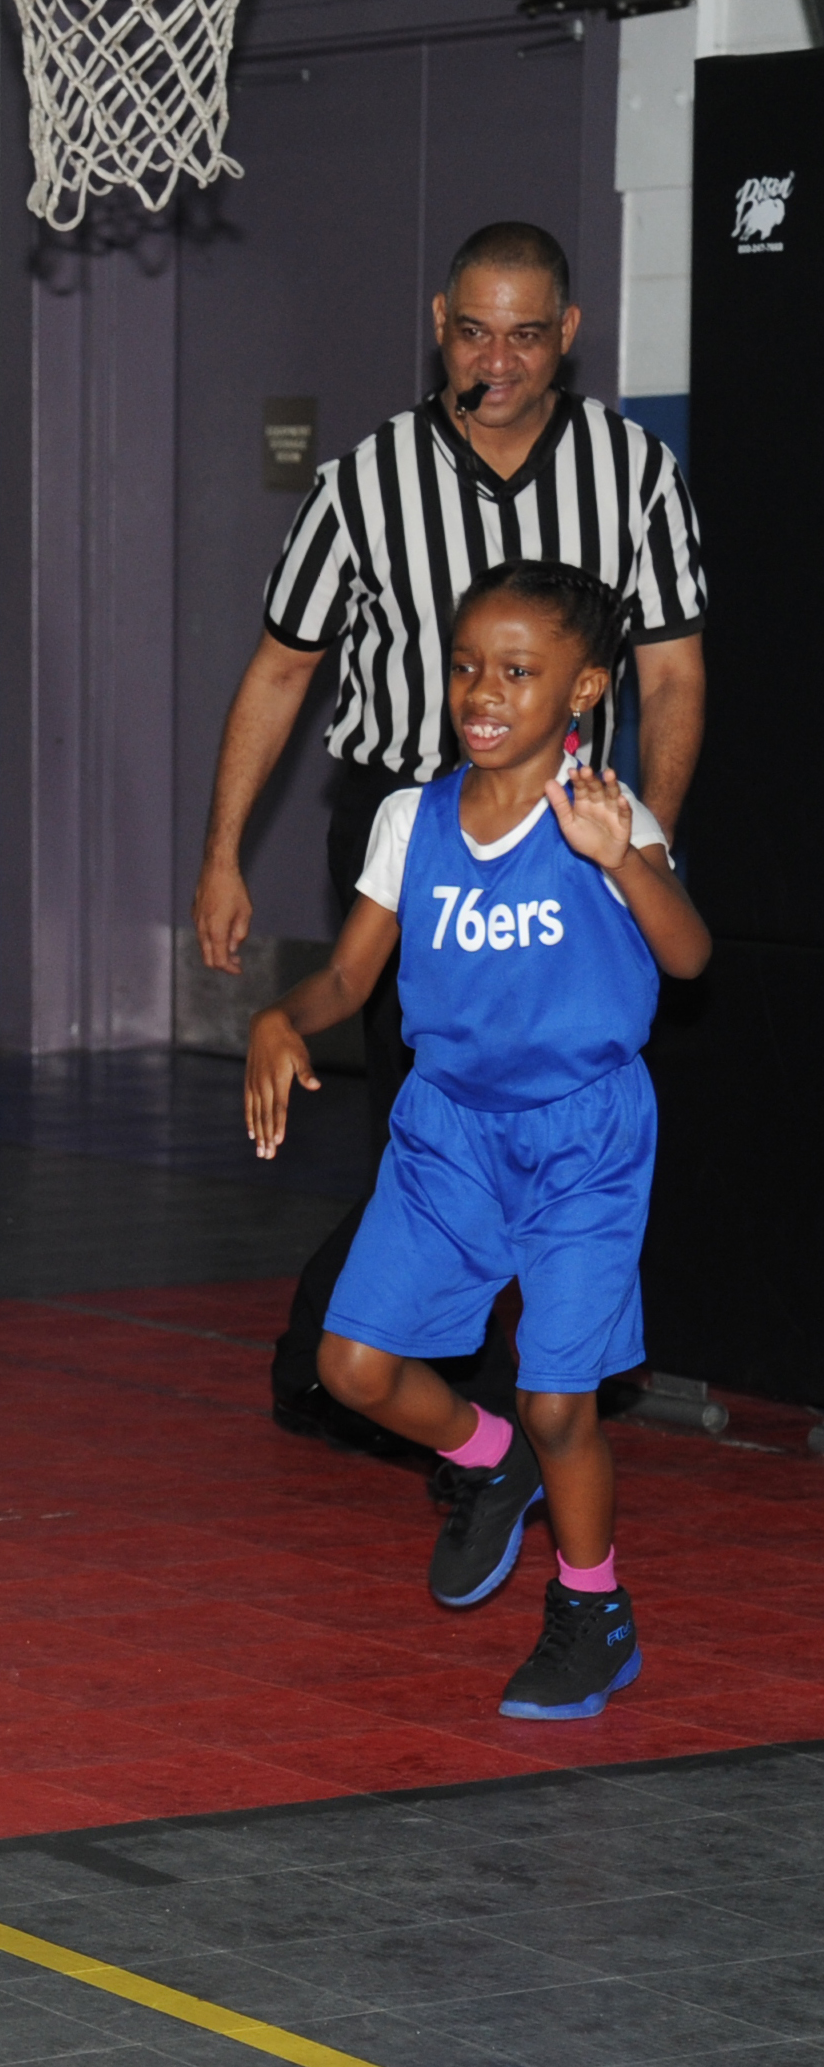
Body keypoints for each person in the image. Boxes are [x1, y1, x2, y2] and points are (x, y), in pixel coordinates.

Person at [188, 222, 707, 1448]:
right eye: (475, 330)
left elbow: (674, 677)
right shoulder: (363, 482)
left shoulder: (633, 473)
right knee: (426, 1117)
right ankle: (395, 1387)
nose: (499, 358)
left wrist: (641, 853)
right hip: (405, 826)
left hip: (575, 833)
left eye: (527, 334)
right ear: (439, 323)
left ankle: (505, 1379)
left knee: (567, 1104)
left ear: (567, 336)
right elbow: (278, 671)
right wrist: (221, 852)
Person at [244, 561, 707, 1718]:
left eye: (515, 671)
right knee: (348, 1368)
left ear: (583, 689)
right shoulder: (412, 818)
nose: (481, 692)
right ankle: (483, 1457)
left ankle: (592, 1610)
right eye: (464, 668)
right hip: (446, 1135)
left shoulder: (603, 813)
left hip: (581, 1140)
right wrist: (277, 1015)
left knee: (564, 1403)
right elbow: (352, 975)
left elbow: (690, 956)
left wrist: (622, 861)